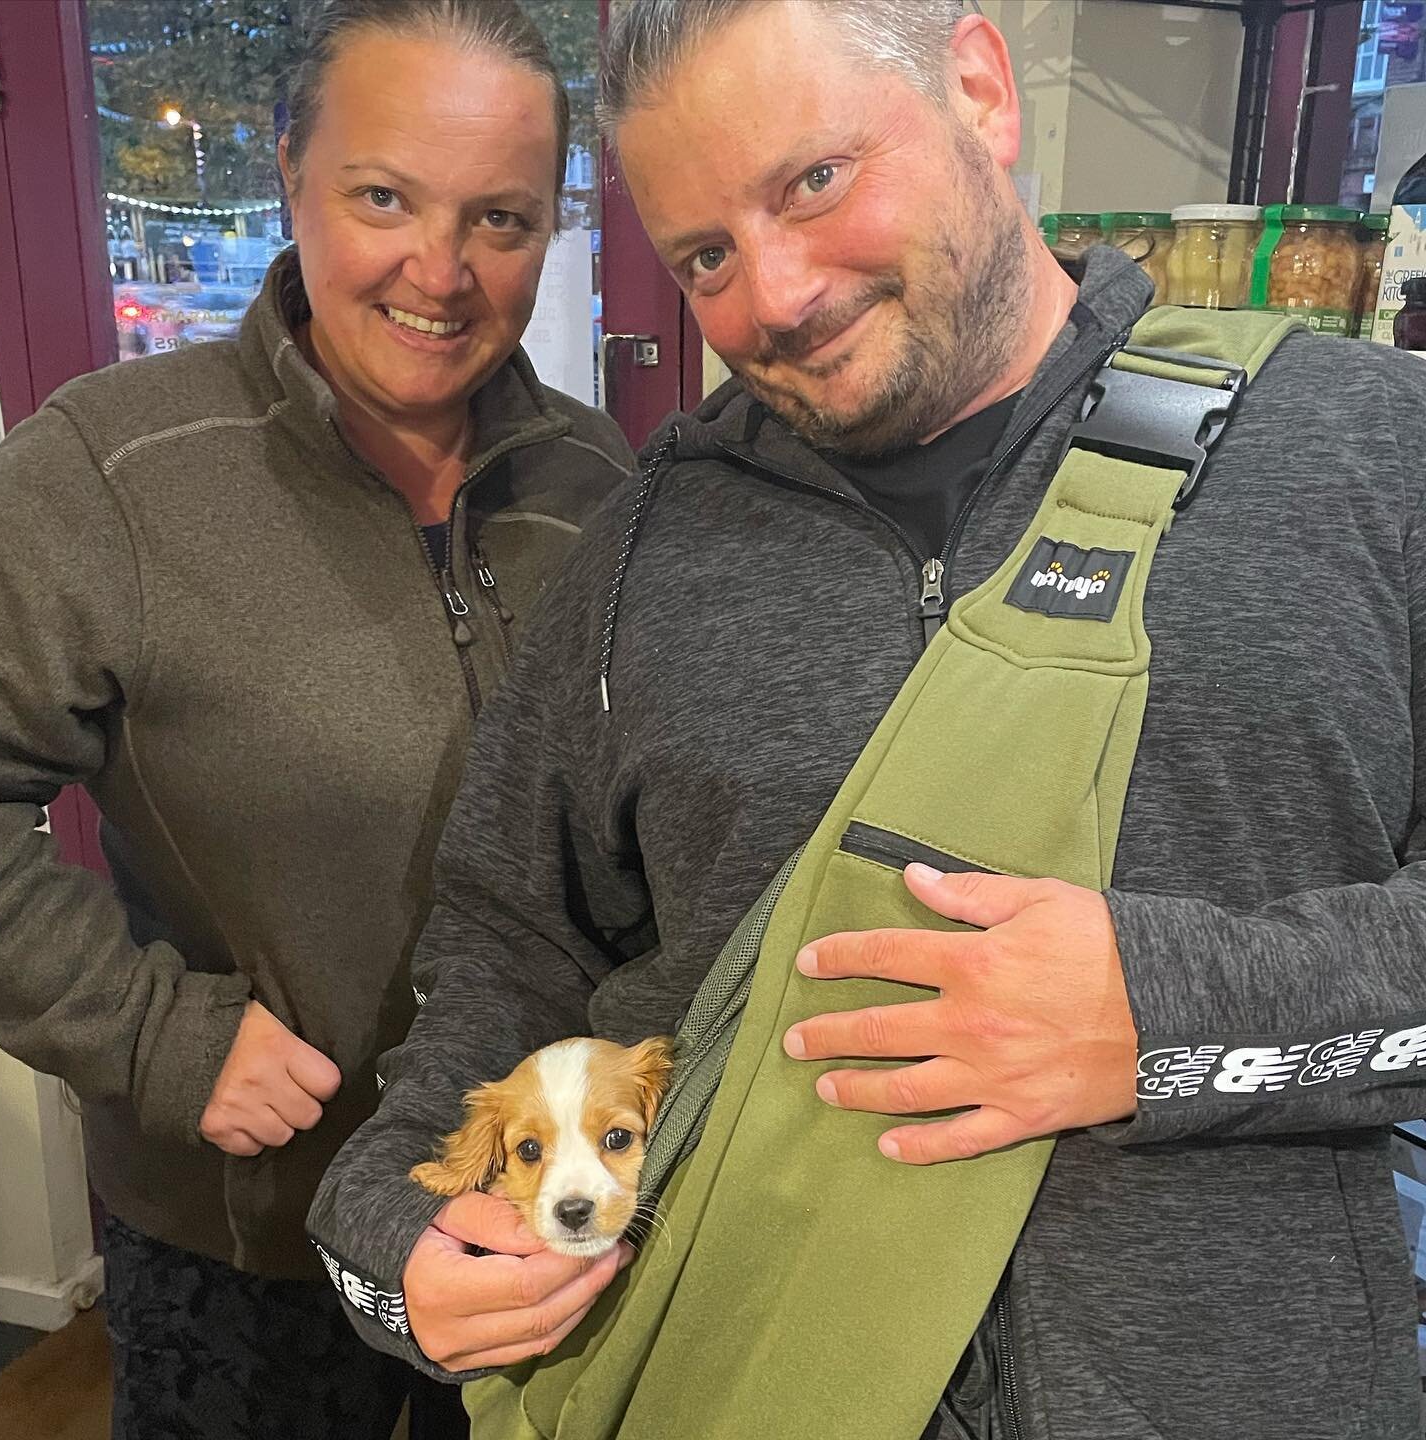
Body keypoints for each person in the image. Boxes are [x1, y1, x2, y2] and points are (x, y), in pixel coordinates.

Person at [309, 2, 1426, 1436]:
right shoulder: (642, 549)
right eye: (705, 254)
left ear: (978, 85)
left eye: (814, 182)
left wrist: (1167, 1007)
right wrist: (393, 1247)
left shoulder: (1371, 454)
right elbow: (504, 954)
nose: (771, 297)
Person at [0, 1, 633, 1436]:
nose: (443, 272)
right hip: (251, 1251)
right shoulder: (104, 474)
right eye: (385, 197)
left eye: (504, 219)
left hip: (551, 1228)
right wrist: (150, 1031)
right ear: (289, 171)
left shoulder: (595, 478)